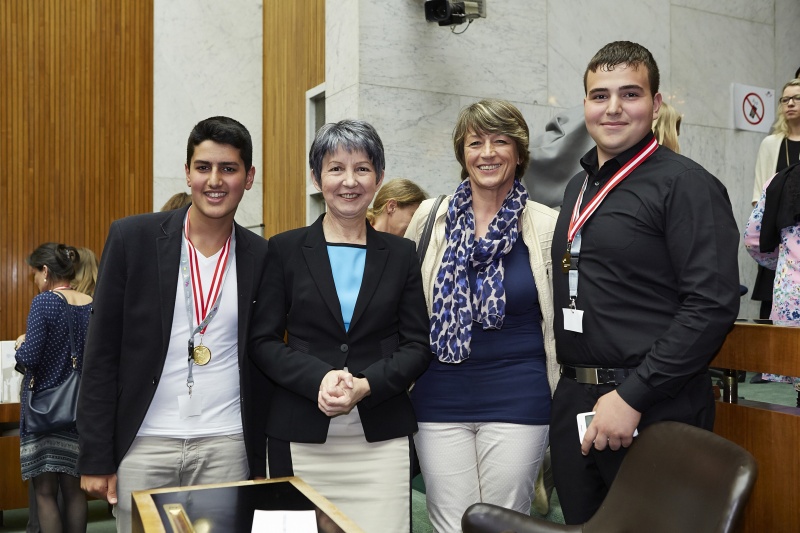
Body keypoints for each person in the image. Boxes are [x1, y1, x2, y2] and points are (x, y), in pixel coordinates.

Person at [549, 41, 740, 524]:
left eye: (629, 94)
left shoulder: (686, 185)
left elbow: (711, 305)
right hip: (578, 402)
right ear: (585, 105)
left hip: (654, 407)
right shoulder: (578, 187)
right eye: (599, 95)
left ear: (655, 105)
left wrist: (633, 395)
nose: (612, 108)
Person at [77, 116, 270, 533]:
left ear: (249, 177)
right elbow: (101, 353)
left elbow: (266, 354)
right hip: (145, 442)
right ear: (187, 173)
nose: (214, 180)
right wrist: (96, 456)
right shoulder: (134, 239)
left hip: (227, 443)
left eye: (229, 168)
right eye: (203, 168)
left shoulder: (261, 255)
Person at [249, 119, 432, 533]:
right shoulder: (284, 249)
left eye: (362, 168)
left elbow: (418, 346)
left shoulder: (401, 254)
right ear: (317, 178)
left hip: (380, 437)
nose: (349, 181)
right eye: (336, 168)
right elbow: (262, 341)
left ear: (378, 178)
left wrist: (366, 384)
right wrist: (319, 378)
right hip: (300, 433)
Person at [404, 99, 559, 532]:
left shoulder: (546, 226)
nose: (486, 152)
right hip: (438, 394)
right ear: (462, 153)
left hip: (519, 394)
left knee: (505, 524)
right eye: (475, 142)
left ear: (519, 152)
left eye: (500, 141)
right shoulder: (428, 218)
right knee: (450, 523)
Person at [15, 243, 92, 533]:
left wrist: (21, 345)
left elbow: (29, 357)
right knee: (75, 491)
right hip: (78, 411)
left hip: (44, 413)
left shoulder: (44, 302)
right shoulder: (89, 302)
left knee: (45, 492)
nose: (35, 281)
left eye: (35, 274)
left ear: (46, 271)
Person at [750, 79, 800, 323]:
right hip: (778, 238)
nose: (790, 103)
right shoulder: (771, 143)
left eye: (797, 98)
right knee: (772, 306)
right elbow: (759, 197)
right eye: (785, 99)